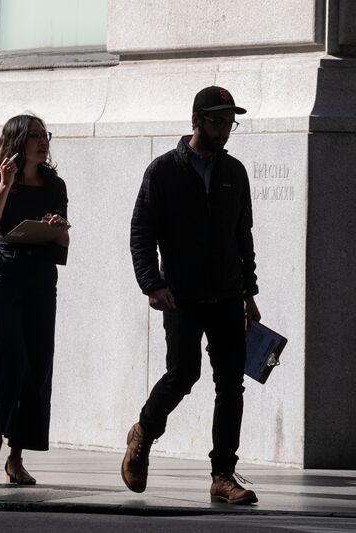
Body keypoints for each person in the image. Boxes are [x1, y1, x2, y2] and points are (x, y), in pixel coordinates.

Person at [125, 86, 260, 504]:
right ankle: (143, 431)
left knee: (231, 384)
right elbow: (142, 232)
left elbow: (243, 235)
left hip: (226, 294)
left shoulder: (234, 173)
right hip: (180, 295)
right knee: (183, 375)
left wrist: (249, 292)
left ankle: (223, 474)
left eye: (229, 123)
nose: (224, 130)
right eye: (216, 121)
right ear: (195, 121)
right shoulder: (163, 171)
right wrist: (152, 283)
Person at [0, 114, 70, 485]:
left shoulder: (54, 184)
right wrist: (5, 184)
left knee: (37, 364)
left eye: (44, 135)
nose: (42, 141)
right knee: (12, 358)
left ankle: (16, 456)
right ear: (16, 141)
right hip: (3, 275)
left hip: (41, 277)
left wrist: (58, 230)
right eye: (33, 136)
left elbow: (63, 241)